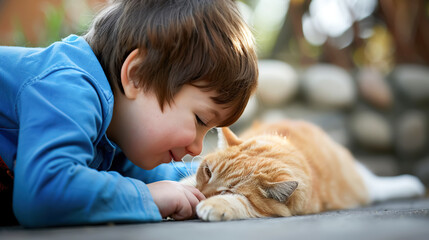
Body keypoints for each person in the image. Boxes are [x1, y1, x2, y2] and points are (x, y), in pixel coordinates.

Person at [0, 0, 258, 227]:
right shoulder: (66, 87)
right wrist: (148, 197)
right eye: (200, 120)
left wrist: (224, 184)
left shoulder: (118, 132)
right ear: (137, 76)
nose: (197, 147)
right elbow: (45, 191)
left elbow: (164, 180)